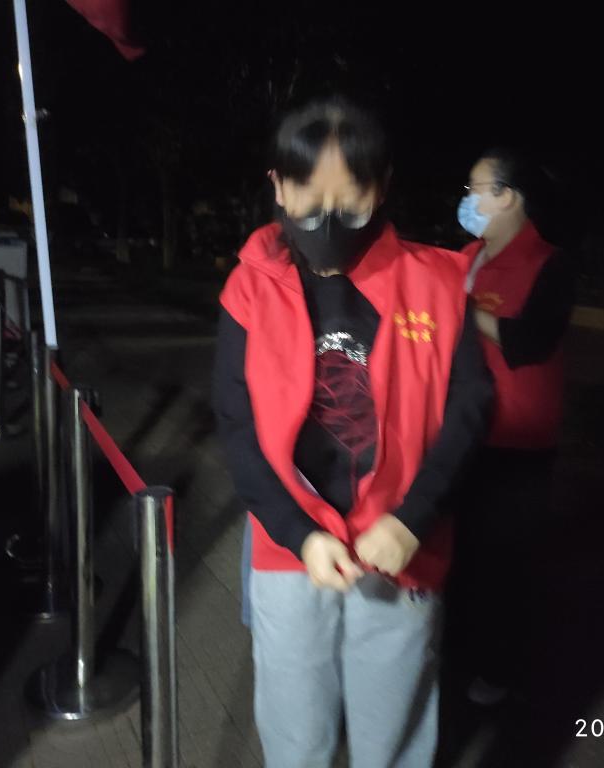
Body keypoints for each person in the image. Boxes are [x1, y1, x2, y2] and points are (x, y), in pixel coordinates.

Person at [212, 97, 491, 766]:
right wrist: (296, 532)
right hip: (290, 547)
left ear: (383, 187)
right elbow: (236, 424)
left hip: (401, 544)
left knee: (393, 728)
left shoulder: (439, 283)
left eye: (352, 203)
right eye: (310, 203)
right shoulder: (250, 288)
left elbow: (470, 409)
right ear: (279, 187)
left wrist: (414, 518)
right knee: (294, 725)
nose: (329, 223)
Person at [450, 146, 576, 705]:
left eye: (475, 189)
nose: (467, 200)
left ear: (507, 197)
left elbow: (532, 340)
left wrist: (465, 310)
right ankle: (458, 654)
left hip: (518, 441)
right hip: (462, 433)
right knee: (461, 553)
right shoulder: (466, 257)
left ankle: (499, 671)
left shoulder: (550, 263)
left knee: (504, 563)